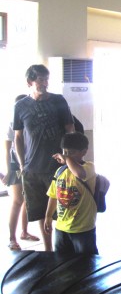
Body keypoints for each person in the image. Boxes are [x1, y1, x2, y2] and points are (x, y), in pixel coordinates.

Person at [13, 64, 75, 251]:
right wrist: (22, 164)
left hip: (58, 166)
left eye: (46, 79)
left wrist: (68, 157)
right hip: (33, 168)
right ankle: (49, 250)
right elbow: (17, 137)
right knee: (41, 212)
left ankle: (66, 249)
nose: (44, 83)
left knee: (65, 209)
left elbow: (70, 129)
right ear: (30, 82)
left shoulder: (58, 101)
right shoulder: (20, 106)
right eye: (40, 79)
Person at [44, 132, 98, 255]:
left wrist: (67, 159)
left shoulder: (89, 167)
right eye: (65, 152)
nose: (67, 156)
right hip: (61, 228)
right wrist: (48, 216)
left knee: (86, 262)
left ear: (84, 152)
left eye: (72, 153)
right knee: (61, 261)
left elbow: (80, 174)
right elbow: (53, 195)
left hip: (83, 229)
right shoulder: (59, 171)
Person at [3, 94, 40, 251]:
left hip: (30, 163)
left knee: (27, 199)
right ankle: (12, 238)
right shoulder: (12, 124)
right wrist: (7, 171)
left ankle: (24, 232)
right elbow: (7, 149)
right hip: (16, 164)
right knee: (18, 200)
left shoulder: (32, 120)